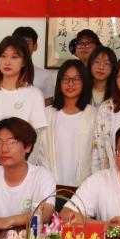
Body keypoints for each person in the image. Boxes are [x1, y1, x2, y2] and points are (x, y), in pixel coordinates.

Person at [0, 36, 48, 172]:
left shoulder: (34, 94)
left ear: (24, 62)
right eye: (3, 56)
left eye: (14, 57)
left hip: (23, 165)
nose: (7, 62)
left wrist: (27, 172)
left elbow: (38, 139)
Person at [33, 59, 95, 187]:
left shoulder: (94, 114)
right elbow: (38, 152)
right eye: (66, 79)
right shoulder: (46, 114)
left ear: (84, 82)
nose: (70, 84)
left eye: (76, 79)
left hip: (85, 186)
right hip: (50, 185)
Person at [13, 26, 55, 103]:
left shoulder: (45, 75)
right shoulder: (4, 72)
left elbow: (49, 102)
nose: (23, 46)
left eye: (27, 43)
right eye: (19, 43)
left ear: (35, 46)